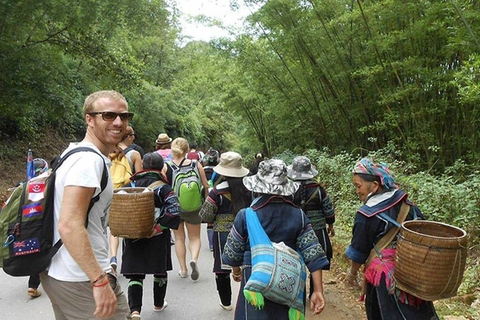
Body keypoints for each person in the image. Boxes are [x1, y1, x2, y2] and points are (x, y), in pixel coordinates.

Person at [39, 90, 131, 319]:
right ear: (89, 119)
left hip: (65, 272)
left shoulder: (75, 153)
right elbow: (69, 224)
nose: (118, 122)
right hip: (81, 277)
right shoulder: (89, 161)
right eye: (108, 115)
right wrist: (99, 281)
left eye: (124, 116)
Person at [222, 159, 329, 319]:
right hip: (288, 282)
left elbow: (232, 254)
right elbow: (313, 255)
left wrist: (236, 271)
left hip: (256, 279)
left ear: (256, 187)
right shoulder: (298, 215)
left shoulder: (246, 215)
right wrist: (318, 291)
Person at [346, 158, 438, 320]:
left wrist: (352, 275)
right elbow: (422, 232)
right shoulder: (408, 204)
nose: (357, 191)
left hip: (384, 279)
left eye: (358, 186)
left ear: (374, 185)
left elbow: (359, 251)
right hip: (413, 270)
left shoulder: (366, 215)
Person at [121, 152, 181, 319]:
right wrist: (158, 228)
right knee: (159, 270)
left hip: (133, 235)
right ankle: (158, 304)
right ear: (162, 167)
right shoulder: (163, 187)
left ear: (142, 167)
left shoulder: (131, 185)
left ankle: (134, 311)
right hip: (157, 236)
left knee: (135, 273)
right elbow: (174, 210)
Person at [199, 151, 251, 311]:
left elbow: (205, 215)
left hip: (223, 235)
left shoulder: (217, 192)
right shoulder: (250, 189)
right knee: (248, 265)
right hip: (247, 231)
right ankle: (250, 300)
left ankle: (226, 302)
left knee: (222, 269)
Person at [287, 156, 335, 298]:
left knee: (295, 260)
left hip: (294, 228)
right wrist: (330, 225)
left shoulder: (289, 189)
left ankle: (297, 293)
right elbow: (328, 210)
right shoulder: (319, 190)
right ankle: (315, 291)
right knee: (316, 260)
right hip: (317, 230)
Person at [166, 137, 209, 280]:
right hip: (194, 206)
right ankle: (194, 260)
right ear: (187, 150)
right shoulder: (196, 164)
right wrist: (206, 203)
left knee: (179, 239)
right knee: (195, 237)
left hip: (175, 207)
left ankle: (183, 269)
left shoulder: (167, 167)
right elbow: (205, 185)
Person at [109, 125, 143, 271]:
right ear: (128, 137)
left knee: (113, 227)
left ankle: (113, 257)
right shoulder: (135, 154)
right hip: (127, 192)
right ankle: (130, 260)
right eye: (133, 135)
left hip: (111, 190)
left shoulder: (109, 151)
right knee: (129, 225)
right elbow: (140, 177)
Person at [26, 158, 50, 298]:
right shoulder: (46, 184)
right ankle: (33, 285)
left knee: (34, 251)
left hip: (28, 224)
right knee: (43, 252)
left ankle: (32, 284)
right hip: (43, 223)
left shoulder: (24, 185)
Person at [201, 147, 221, 251]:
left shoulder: (202, 170)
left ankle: (211, 244)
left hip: (206, 196)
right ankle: (216, 242)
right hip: (217, 196)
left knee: (209, 222)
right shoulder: (219, 171)